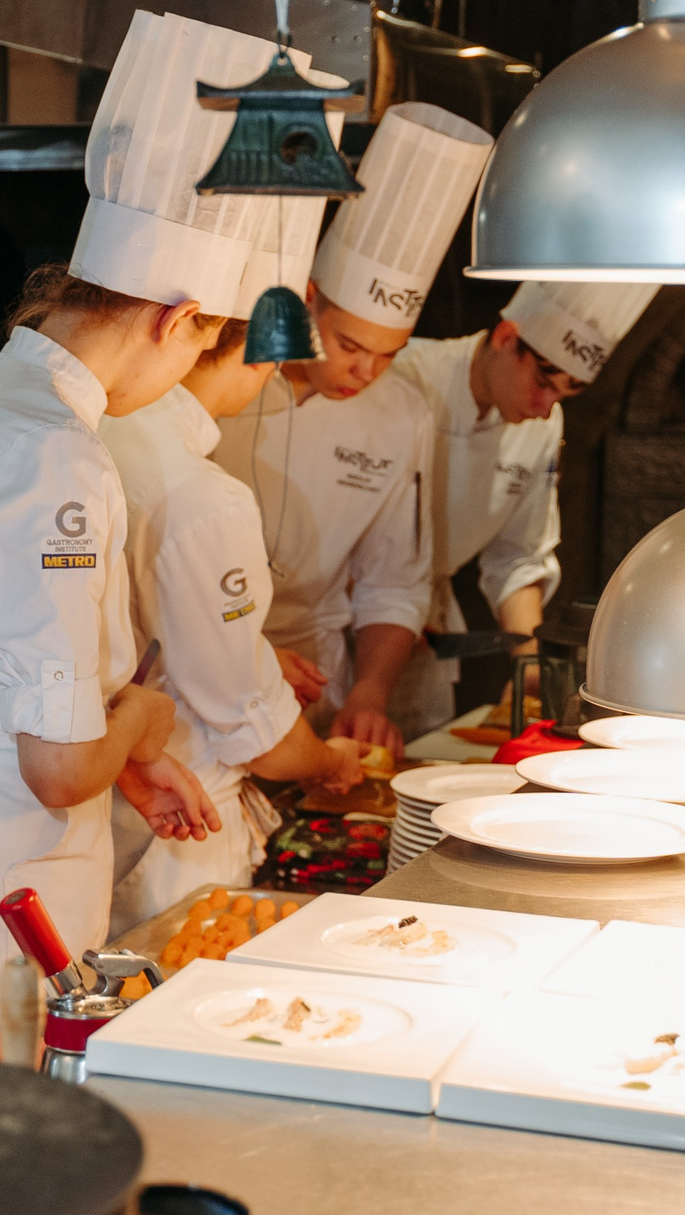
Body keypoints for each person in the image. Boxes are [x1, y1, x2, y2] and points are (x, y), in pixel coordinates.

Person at [0, 10, 319, 1026]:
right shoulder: (59, 453)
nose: (188, 375)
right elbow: (51, 766)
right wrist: (142, 717)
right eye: (199, 348)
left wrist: (127, 764)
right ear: (178, 320)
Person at [100, 209, 369, 932]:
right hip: (176, 840)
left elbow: (140, 635)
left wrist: (255, 654)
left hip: (105, 812)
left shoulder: (97, 435)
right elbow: (261, 737)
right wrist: (329, 759)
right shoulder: (204, 496)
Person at [210, 102, 493, 765]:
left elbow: (393, 577)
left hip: (317, 679)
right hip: (197, 663)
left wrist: (369, 691)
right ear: (309, 298)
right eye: (349, 343)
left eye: (390, 353)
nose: (366, 371)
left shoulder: (401, 415)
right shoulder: (223, 381)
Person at [386, 280, 659, 735]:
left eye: (565, 395)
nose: (545, 406)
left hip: (424, 642)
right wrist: (388, 615)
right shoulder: (403, 378)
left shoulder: (543, 424)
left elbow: (517, 555)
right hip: (335, 630)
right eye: (541, 382)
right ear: (506, 337)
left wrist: (529, 661)